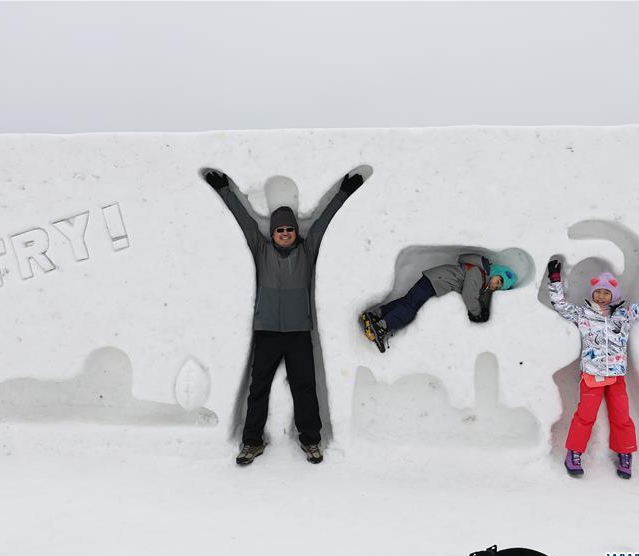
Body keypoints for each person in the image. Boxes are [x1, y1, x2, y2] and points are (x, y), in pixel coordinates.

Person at [203, 168, 366, 466]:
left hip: (298, 332)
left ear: (295, 232)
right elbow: (244, 221)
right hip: (266, 332)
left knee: (304, 388)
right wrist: (224, 189)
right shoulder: (260, 249)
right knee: (258, 389)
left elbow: (324, 222)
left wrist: (345, 192)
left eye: (290, 229)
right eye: (280, 230)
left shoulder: (308, 250)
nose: (285, 233)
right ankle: (252, 442)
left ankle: (311, 440)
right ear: (273, 233)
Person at [547, 257, 639, 479]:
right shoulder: (583, 314)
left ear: (613, 296)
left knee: (621, 417)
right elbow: (560, 305)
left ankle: (625, 453)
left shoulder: (624, 315)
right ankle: (574, 453)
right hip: (591, 375)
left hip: (616, 376)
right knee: (585, 416)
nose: (601, 296)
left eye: (606, 293)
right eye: (598, 292)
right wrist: (555, 280)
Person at [359, 255, 518, 352]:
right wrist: (477, 313)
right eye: (499, 280)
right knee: (409, 309)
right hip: (435, 281)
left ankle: (376, 315)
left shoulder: (481, 278)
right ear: (495, 272)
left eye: (499, 287)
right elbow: (470, 295)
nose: (496, 285)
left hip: (433, 279)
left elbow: (476, 293)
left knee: (408, 302)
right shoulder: (478, 273)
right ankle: (380, 327)